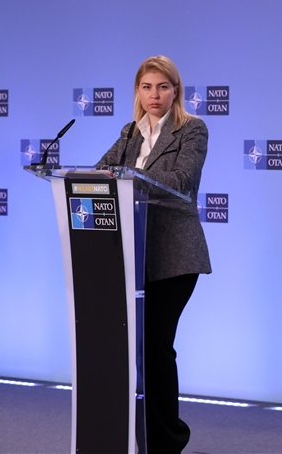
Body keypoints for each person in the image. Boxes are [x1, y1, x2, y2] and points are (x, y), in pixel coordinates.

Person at [97, 55, 212, 453]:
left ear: (175, 90)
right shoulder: (130, 132)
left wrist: (129, 176)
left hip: (175, 257)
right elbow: (100, 170)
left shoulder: (191, 129)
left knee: (156, 346)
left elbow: (182, 180)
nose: (154, 95)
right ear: (137, 91)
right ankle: (141, 435)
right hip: (133, 252)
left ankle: (168, 439)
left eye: (163, 87)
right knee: (138, 349)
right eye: (147, 87)